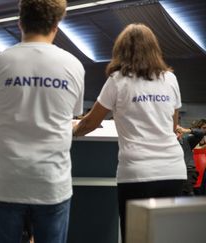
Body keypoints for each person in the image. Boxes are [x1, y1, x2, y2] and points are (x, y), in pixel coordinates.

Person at [0, 0, 84, 242]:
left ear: (20, 23)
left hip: (6, 181)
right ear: (56, 25)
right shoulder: (73, 65)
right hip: (52, 182)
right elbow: (70, 117)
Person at [73, 23, 186, 242]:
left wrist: (73, 132)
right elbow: (173, 126)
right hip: (173, 170)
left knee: (136, 237)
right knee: (165, 237)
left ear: (121, 50)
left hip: (138, 172)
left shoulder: (118, 80)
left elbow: (91, 123)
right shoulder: (170, 79)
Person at [176, 125, 205, 195]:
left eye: (178, 131)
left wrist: (186, 130)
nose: (176, 134)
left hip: (188, 171)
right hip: (174, 172)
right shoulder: (166, 144)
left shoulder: (187, 141)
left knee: (185, 191)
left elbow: (201, 133)